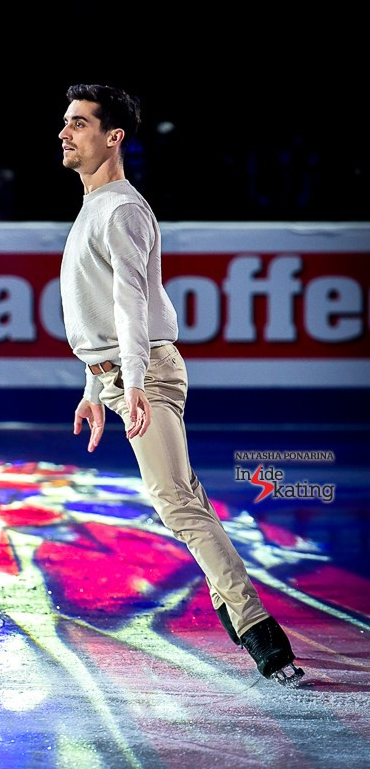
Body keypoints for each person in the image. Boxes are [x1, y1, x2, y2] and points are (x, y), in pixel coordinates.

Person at [58, 83, 304, 686]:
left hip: (146, 375)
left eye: (78, 123)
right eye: (64, 123)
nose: (64, 133)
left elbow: (129, 306)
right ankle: (237, 612)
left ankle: (260, 635)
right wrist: (95, 389)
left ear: (113, 137)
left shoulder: (120, 209)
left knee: (177, 504)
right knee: (182, 499)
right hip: (119, 377)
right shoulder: (94, 207)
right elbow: (97, 315)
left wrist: (132, 381)